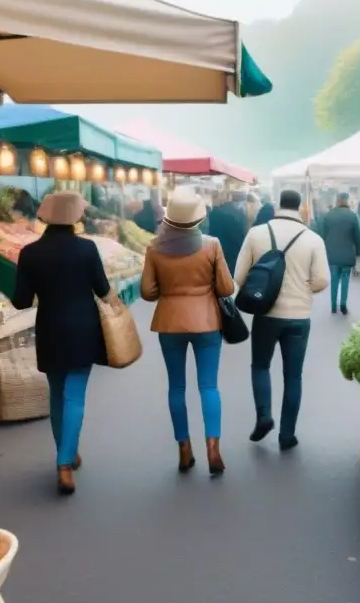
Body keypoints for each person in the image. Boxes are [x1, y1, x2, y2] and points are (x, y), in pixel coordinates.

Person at [11, 191, 118, 496]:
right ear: (75, 217)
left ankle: (67, 453)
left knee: (57, 394)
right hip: (83, 327)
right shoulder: (87, 249)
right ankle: (64, 462)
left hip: (49, 328)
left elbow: (21, 301)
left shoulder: (30, 252)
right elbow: (102, 288)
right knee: (75, 395)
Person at [141, 187, 234, 475]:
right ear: (197, 219)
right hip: (207, 322)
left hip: (170, 324)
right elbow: (226, 288)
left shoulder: (154, 248)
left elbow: (147, 291)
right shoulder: (212, 245)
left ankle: (184, 449)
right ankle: (213, 447)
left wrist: (168, 290)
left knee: (176, 387)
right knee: (208, 386)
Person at [234, 190, 329, 450]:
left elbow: (239, 277)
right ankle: (287, 435)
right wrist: (303, 288)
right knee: (293, 376)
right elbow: (322, 280)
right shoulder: (313, 239)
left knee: (261, 366)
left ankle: (264, 416)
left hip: (266, 315)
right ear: (299, 208)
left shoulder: (256, 234)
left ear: (278, 206)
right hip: (299, 317)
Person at [318, 192, 360, 315]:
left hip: (332, 254)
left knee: (334, 279)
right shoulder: (353, 216)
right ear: (347, 201)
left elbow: (322, 235)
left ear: (337, 200)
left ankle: (333, 305)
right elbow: (358, 237)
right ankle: (343, 305)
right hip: (348, 254)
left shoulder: (328, 216)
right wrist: (359, 252)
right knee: (345, 279)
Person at [207, 191, 248, 274]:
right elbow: (241, 238)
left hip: (216, 254)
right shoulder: (238, 214)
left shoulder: (212, 214)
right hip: (233, 257)